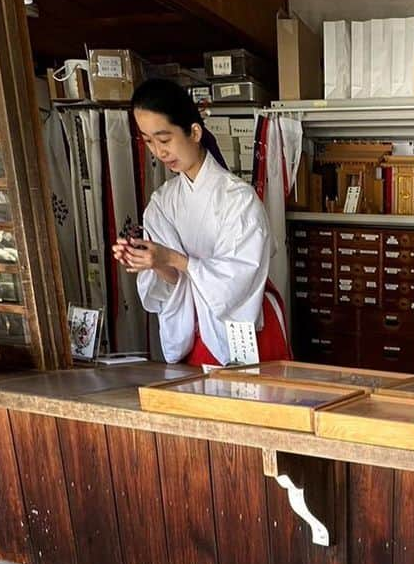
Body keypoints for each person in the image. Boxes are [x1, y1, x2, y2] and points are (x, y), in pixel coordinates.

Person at [112, 78, 289, 366]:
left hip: (242, 328)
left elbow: (237, 282)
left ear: (194, 132)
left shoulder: (238, 199)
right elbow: (172, 286)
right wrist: (152, 262)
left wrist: (172, 257)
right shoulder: (161, 203)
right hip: (189, 330)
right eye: (148, 141)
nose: (158, 152)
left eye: (165, 139)